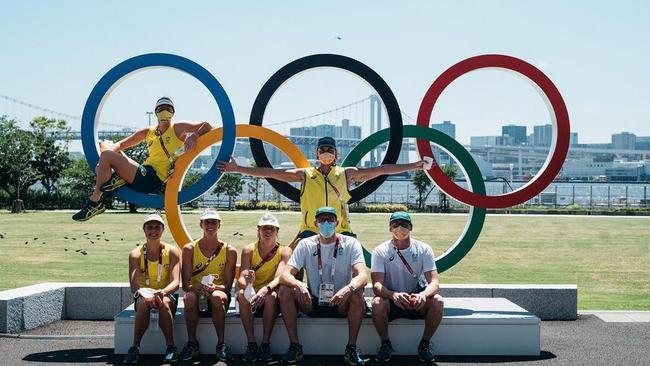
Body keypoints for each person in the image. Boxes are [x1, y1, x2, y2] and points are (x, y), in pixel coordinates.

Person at [217, 136, 427, 245]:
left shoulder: (347, 174)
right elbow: (270, 173)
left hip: (340, 229)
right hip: (309, 229)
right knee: (292, 264)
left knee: (356, 263)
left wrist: (415, 165)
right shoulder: (305, 175)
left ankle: (357, 301)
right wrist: (238, 169)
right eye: (322, 150)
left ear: (336, 154)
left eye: (330, 150)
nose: (326, 153)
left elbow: (382, 169)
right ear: (317, 153)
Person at [73, 96, 212, 221]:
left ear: (173, 112)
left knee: (106, 155)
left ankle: (94, 202)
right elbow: (120, 144)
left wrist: (195, 135)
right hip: (143, 171)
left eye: (168, 109)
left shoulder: (178, 128)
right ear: (156, 112)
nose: (164, 111)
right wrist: (102, 163)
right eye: (161, 108)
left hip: (153, 178)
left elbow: (208, 125)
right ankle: (118, 178)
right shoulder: (149, 132)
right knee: (105, 145)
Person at [278, 206, 368, 365]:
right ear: (315, 223)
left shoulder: (351, 243)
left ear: (337, 222)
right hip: (312, 301)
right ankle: (295, 346)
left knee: (357, 293)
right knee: (285, 290)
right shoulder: (306, 244)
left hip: (341, 301)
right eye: (322, 220)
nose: (326, 223)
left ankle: (351, 348)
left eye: (330, 220)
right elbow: (285, 274)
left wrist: (348, 289)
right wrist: (298, 284)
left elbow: (362, 275)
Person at [370, 211, 444, 363]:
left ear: (411, 227)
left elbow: (434, 282)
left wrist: (423, 295)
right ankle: (385, 344)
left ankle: (425, 344)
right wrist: (393, 295)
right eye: (395, 225)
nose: (399, 228)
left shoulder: (424, 249)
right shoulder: (380, 251)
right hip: (392, 299)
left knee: (437, 301)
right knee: (377, 303)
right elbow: (377, 286)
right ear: (390, 228)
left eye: (404, 225)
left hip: (416, 299)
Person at [178, 209, 237, 362]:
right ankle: (192, 343)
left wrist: (215, 288)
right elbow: (186, 285)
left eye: (214, 222)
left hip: (218, 293)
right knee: (189, 298)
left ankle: (221, 344)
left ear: (219, 225)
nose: (210, 225)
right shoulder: (189, 249)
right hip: (198, 294)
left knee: (217, 297)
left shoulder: (229, 250)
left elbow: (228, 286)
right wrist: (194, 288)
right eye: (207, 222)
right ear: (201, 224)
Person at [124, 213, 181, 364]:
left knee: (164, 303)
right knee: (143, 303)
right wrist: (145, 296)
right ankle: (135, 347)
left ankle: (170, 347)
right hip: (144, 295)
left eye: (157, 227)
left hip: (166, 294)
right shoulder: (135, 254)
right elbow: (134, 285)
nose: (153, 230)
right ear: (144, 230)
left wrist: (163, 292)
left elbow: (176, 282)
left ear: (163, 230)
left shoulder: (172, 251)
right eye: (149, 227)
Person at [236, 212, 292, 362]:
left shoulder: (284, 251)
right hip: (253, 292)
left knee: (271, 297)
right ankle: (251, 343)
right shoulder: (249, 250)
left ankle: (265, 343)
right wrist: (248, 284)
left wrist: (263, 290)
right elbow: (241, 277)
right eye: (264, 228)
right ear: (258, 230)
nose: (268, 232)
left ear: (277, 231)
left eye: (272, 229)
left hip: (270, 291)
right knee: (242, 295)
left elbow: (279, 278)